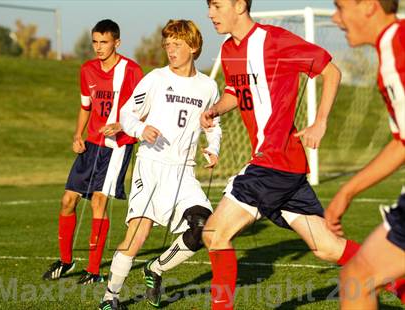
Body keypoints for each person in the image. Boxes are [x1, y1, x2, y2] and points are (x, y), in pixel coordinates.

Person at [200, 1, 403, 309]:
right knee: (327, 247)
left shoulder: (276, 40)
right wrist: (216, 109)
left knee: (215, 234)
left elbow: (330, 70)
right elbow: (235, 91)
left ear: (240, 5)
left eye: (216, 5)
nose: (210, 14)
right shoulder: (229, 50)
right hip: (286, 168)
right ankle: (400, 283)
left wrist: (320, 121)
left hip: (272, 162)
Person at [98, 19, 222, 309]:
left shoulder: (208, 87)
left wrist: (213, 147)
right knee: (138, 234)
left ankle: (156, 269)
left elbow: (213, 126)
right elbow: (128, 114)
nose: (170, 50)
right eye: (167, 44)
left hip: (183, 171)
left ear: (193, 47)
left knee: (203, 226)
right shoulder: (155, 78)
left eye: (177, 44)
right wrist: (141, 130)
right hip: (151, 165)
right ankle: (109, 298)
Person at [42, 19, 143, 285]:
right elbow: (85, 106)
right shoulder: (87, 70)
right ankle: (65, 261)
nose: (98, 47)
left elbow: (143, 109)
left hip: (118, 145)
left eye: (104, 42)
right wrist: (77, 135)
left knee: (99, 201)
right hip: (91, 145)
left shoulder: (132, 70)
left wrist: (121, 125)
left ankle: (95, 270)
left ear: (117, 43)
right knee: (67, 201)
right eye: (95, 42)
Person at [326, 0, 405, 308]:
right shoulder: (392, 47)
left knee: (358, 278)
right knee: (357, 277)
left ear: (370, 7)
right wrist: (347, 191)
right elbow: (401, 142)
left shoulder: (396, 46)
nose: (335, 17)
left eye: (341, 7)